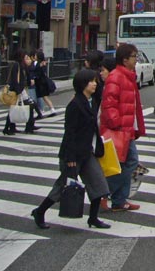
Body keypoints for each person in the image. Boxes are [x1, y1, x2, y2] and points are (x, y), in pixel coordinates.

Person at [30, 68, 111, 231]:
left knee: (98, 184)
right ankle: (40, 211)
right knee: (63, 187)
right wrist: (71, 158)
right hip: (72, 154)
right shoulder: (75, 105)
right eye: (91, 81)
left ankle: (93, 218)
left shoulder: (92, 101)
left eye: (95, 81)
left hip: (87, 152)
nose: (95, 84)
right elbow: (70, 133)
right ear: (82, 84)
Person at [99, 43, 146, 212]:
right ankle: (106, 193)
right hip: (118, 129)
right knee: (128, 162)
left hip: (126, 129)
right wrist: (116, 123)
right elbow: (109, 104)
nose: (136, 60)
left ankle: (118, 200)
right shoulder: (116, 77)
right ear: (125, 59)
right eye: (134, 56)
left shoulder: (128, 76)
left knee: (127, 162)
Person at [3, 50, 38, 136]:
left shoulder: (22, 65)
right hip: (18, 91)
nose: (27, 59)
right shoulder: (16, 65)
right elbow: (15, 79)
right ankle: (27, 127)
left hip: (21, 90)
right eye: (25, 57)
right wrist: (18, 91)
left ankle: (10, 127)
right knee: (28, 106)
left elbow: (26, 77)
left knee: (16, 108)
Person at [84, 49, 106, 114]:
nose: (85, 62)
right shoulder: (103, 74)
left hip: (93, 107)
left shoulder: (89, 75)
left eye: (87, 60)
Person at [35, 50, 56, 115]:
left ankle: (51, 109)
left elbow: (38, 74)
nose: (35, 56)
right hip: (42, 82)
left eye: (36, 55)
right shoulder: (43, 63)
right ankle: (43, 109)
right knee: (43, 96)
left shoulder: (39, 64)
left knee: (44, 96)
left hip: (41, 83)